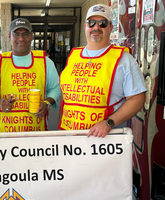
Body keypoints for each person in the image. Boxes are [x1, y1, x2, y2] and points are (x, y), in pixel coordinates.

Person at [58, 4, 146, 137]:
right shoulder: (74, 56)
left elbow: (138, 98)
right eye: (91, 23)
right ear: (85, 27)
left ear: (111, 27)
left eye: (102, 23)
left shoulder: (124, 59)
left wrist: (109, 122)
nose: (96, 27)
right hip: (71, 137)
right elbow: (67, 99)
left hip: (104, 142)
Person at [0, 18, 62, 133]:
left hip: (35, 130)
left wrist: (47, 104)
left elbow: (56, 89)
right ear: (9, 36)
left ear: (31, 36)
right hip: (3, 131)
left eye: (25, 34)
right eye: (16, 34)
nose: (21, 38)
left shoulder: (45, 62)